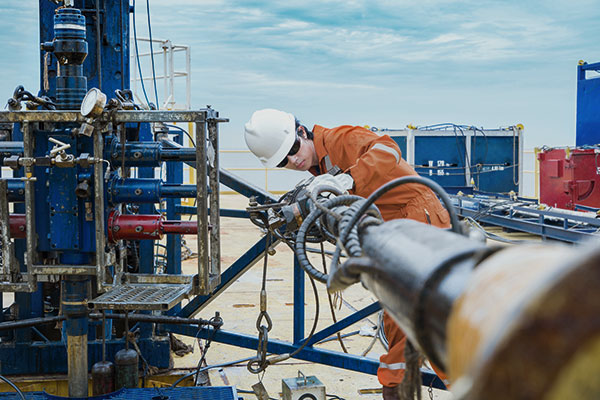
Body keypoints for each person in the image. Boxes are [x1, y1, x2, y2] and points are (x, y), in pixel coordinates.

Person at [244, 108, 450, 399]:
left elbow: (388, 150)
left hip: (418, 218)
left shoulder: (340, 139)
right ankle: (396, 388)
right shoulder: (319, 172)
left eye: (293, 149)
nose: (294, 161)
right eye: (283, 161)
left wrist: (347, 180)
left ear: (302, 132)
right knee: (401, 318)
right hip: (391, 233)